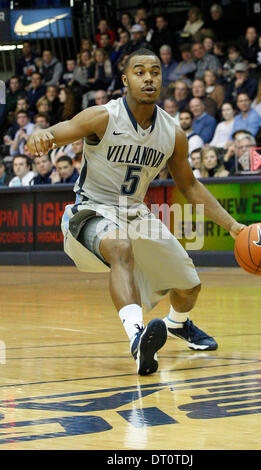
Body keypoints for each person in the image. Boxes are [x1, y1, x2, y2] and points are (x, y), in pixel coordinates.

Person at [28, 48, 243, 376]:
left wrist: (233, 226)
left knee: (188, 287)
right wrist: (41, 135)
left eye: (155, 72)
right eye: (140, 72)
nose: (148, 78)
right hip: (90, 210)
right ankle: (137, 337)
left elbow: (190, 186)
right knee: (120, 247)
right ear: (125, 80)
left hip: (136, 213)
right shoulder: (103, 117)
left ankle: (177, 324)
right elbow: (59, 131)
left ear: (162, 80)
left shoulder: (172, 133)